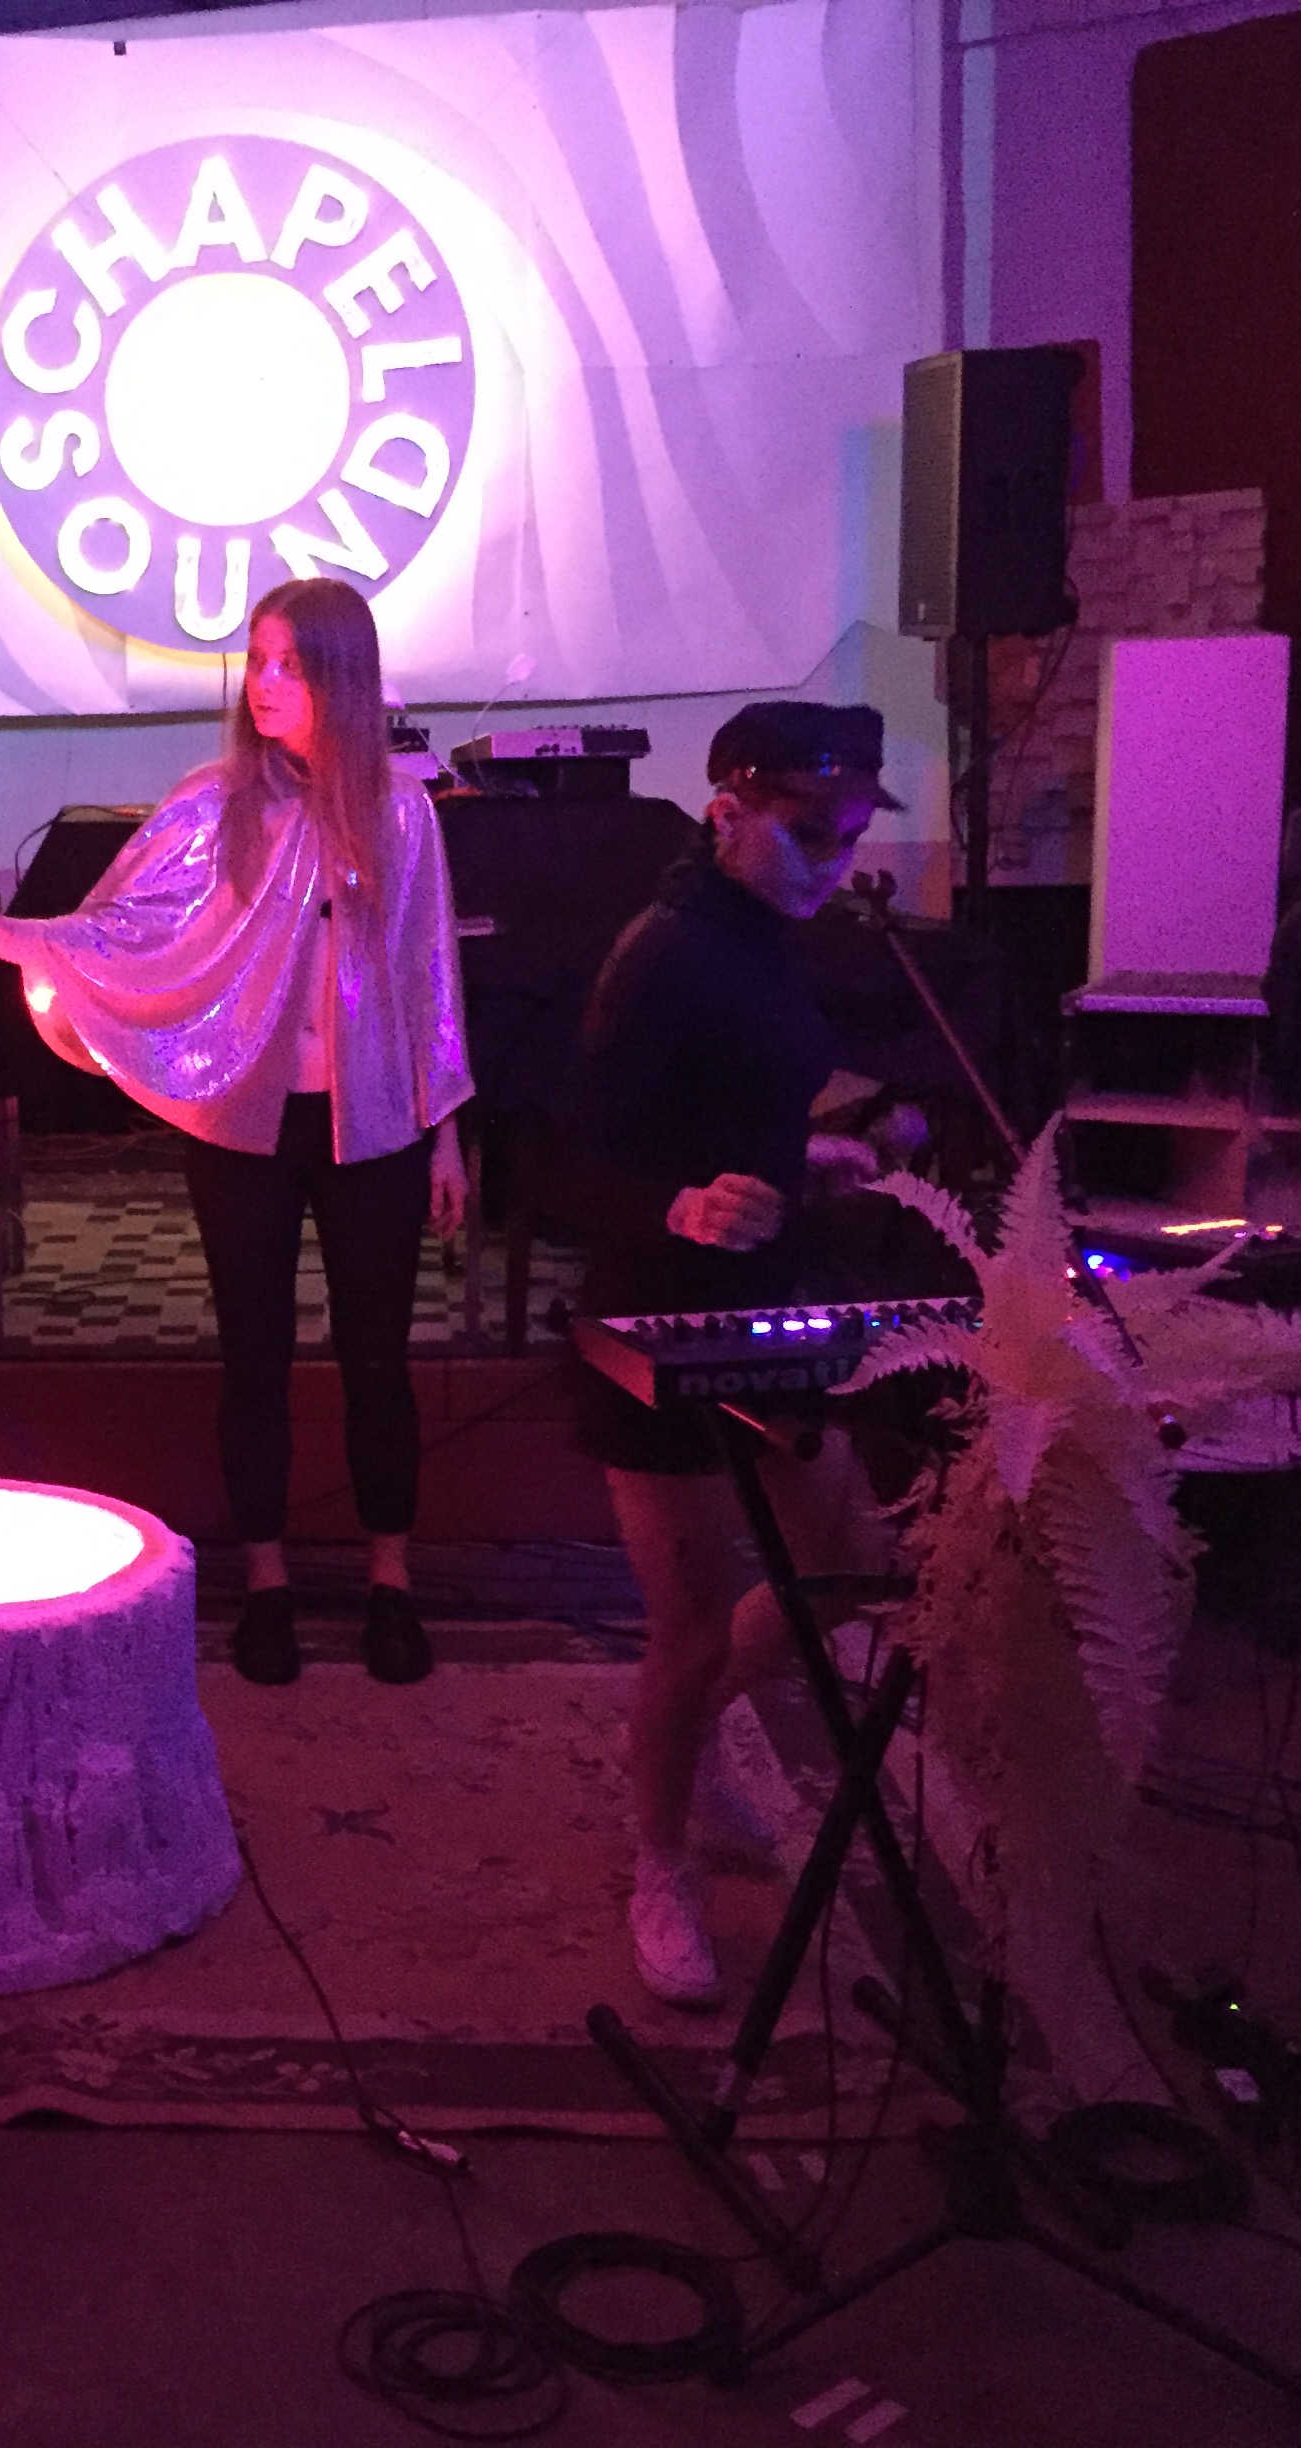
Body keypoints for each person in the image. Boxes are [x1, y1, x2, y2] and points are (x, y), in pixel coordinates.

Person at [0, 577, 472, 1686]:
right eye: (256, 660)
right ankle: (267, 1583)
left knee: (378, 1356)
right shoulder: (214, 807)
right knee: (253, 1354)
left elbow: (428, 975)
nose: (263, 684)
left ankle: (390, 1582)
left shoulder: (403, 814)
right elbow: (116, 933)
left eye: (290, 664)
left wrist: (443, 1128)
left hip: (378, 1127)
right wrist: (6, 937)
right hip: (242, 1122)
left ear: (343, 676)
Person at [564, 701, 899, 2010]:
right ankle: (659, 1864)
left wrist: (804, 1156)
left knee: (850, 1566)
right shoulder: (662, 953)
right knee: (693, 1628)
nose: (835, 861)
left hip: (769, 1300)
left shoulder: (767, 937)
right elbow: (570, 1164)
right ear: (728, 811)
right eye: (810, 833)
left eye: (853, 835)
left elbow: (730, 1104)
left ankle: (687, 1736)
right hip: (656, 1318)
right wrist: (683, 1205)